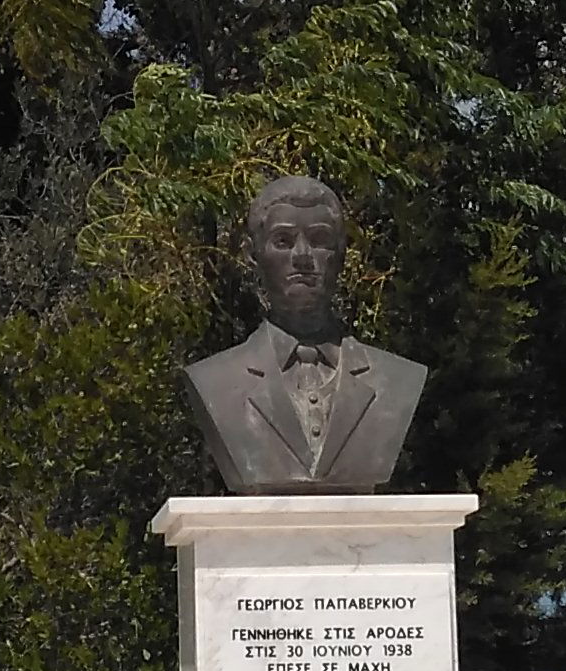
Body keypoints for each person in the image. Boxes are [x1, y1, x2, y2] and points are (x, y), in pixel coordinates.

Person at [181, 176, 428, 493]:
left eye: (319, 240)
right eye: (282, 241)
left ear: (340, 255)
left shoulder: (396, 378)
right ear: (253, 255)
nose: (302, 256)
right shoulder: (214, 381)